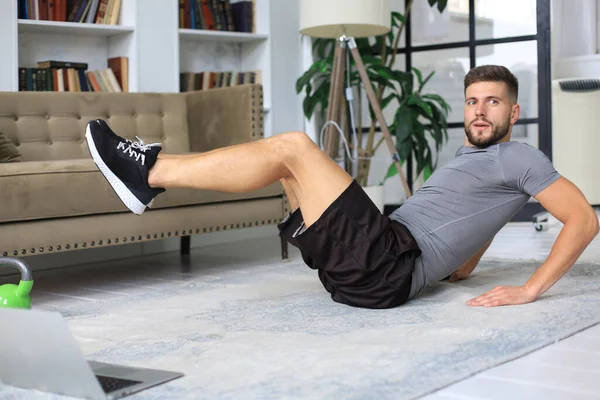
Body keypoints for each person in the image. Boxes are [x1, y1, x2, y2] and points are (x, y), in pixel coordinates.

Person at [84, 64, 598, 310]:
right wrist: (462, 267)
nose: (479, 111)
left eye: (492, 102)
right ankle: (147, 177)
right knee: (287, 168)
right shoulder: (477, 158)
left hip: (385, 266)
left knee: (293, 147)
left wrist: (531, 290)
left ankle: (148, 172)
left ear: (515, 110)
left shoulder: (521, 155)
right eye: (471, 101)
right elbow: (474, 222)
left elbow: (584, 218)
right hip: (369, 264)